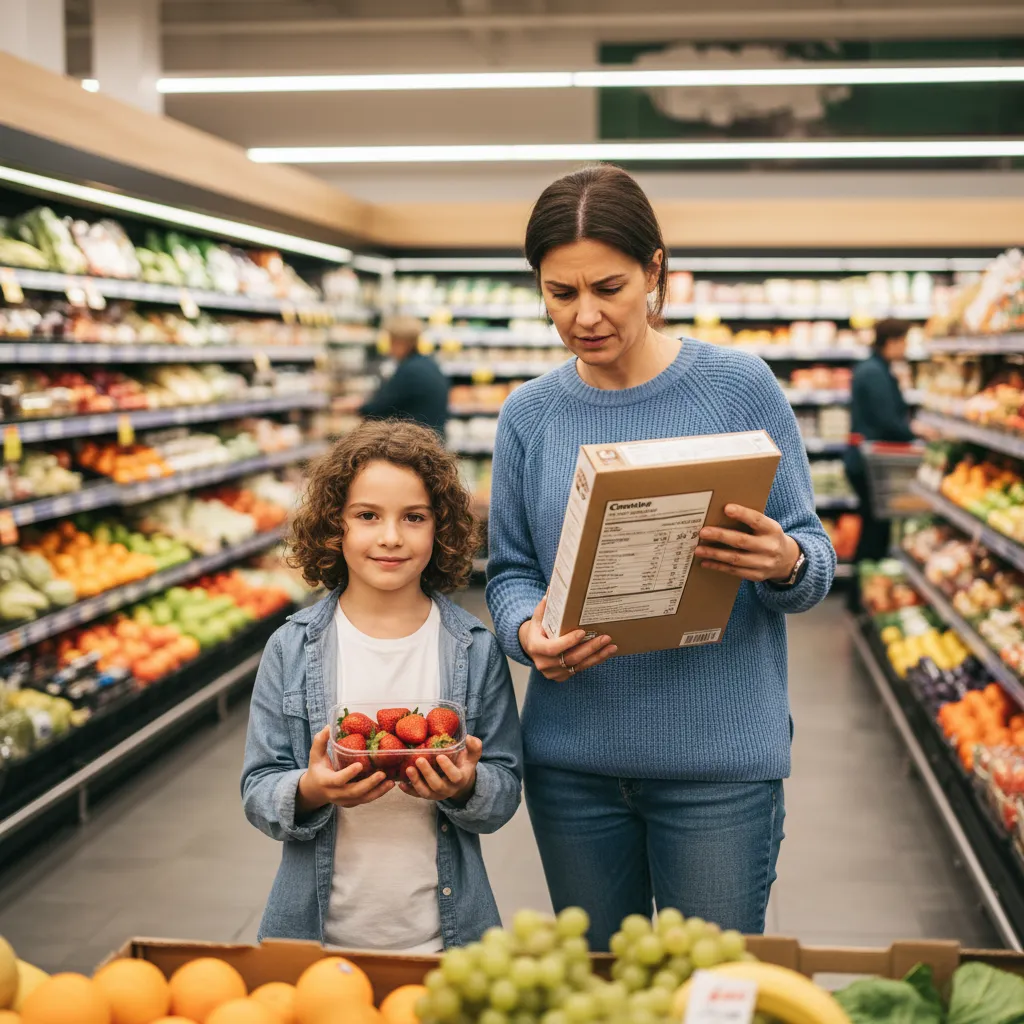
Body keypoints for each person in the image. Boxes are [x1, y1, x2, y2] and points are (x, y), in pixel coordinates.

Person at [485, 166, 836, 950]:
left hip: (717, 767)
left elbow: (813, 557)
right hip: (574, 765)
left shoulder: (739, 387)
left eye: (608, 287)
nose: (585, 315)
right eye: (560, 293)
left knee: (706, 994)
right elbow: (509, 572)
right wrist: (525, 634)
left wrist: (781, 560)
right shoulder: (530, 415)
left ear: (655, 270)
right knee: (603, 987)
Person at [241, 420, 522, 951]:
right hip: (317, 939)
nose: (391, 536)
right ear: (334, 526)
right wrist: (311, 789)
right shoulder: (292, 648)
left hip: (445, 937)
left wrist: (464, 786)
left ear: (441, 529)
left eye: (413, 517)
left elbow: (504, 789)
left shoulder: (473, 647)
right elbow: (259, 789)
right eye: (367, 516)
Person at [844, 318, 916, 567]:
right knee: (874, 529)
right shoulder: (874, 372)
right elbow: (887, 421)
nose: (907, 347)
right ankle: (862, 592)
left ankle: (863, 591)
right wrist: (915, 432)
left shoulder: (875, 368)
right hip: (868, 463)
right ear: (892, 341)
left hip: (866, 460)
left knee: (874, 525)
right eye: (905, 341)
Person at [356, 314, 450, 436]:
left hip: (417, 442)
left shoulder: (410, 371)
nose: (388, 347)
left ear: (401, 343)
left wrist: (358, 406)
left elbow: (379, 409)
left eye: (390, 340)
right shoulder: (427, 364)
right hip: (430, 438)